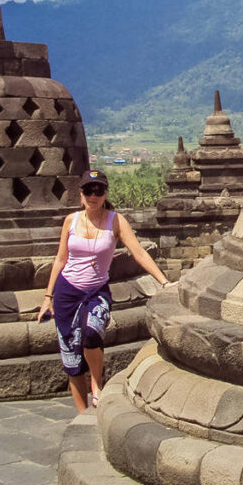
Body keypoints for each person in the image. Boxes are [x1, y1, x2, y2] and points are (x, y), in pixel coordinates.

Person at [35, 169, 172, 411]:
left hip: (96, 290)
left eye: (98, 191)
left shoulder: (116, 221)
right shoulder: (72, 221)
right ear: (81, 194)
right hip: (67, 292)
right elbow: (60, 259)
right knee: (71, 356)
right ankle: (83, 414)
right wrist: (48, 297)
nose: (93, 195)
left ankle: (97, 384)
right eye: (88, 190)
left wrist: (164, 282)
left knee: (91, 333)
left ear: (105, 193)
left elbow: (138, 252)